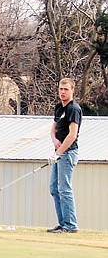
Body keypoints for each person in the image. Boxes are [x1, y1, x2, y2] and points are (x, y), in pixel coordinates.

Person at [47, 78, 82, 233]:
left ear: (72, 90)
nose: (62, 92)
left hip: (68, 154)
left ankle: (70, 225)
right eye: (61, 89)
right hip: (58, 153)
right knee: (54, 188)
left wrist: (59, 153)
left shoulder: (74, 109)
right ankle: (62, 223)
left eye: (66, 89)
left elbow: (72, 135)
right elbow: (53, 129)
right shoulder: (58, 107)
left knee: (65, 189)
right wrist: (54, 141)